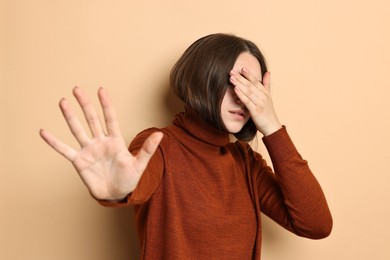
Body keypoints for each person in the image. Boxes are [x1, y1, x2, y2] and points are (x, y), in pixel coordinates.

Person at [40, 33, 332, 259]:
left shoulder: (245, 162)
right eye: (234, 82)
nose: (244, 97)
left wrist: (272, 127)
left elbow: (315, 224)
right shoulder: (160, 145)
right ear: (201, 79)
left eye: (253, 87)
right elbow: (136, 177)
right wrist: (120, 189)